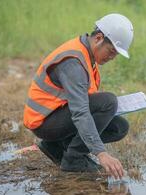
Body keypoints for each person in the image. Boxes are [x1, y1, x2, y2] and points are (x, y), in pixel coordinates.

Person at [23, 13, 134, 179]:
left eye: (115, 55)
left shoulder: (87, 54)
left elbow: (84, 102)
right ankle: (73, 159)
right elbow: (80, 112)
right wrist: (101, 153)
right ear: (98, 38)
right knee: (108, 102)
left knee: (119, 127)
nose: (112, 58)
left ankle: (54, 146)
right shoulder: (73, 63)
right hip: (44, 123)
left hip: (57, 115)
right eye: (111, 52)